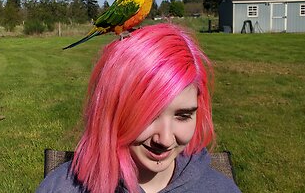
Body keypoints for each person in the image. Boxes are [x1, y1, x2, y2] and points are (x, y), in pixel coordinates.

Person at [37, 23, 241, 193]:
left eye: (183, 115)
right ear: (112, 110)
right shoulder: (62, 188)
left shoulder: (220, 188)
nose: (165, 139)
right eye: (149, 115)